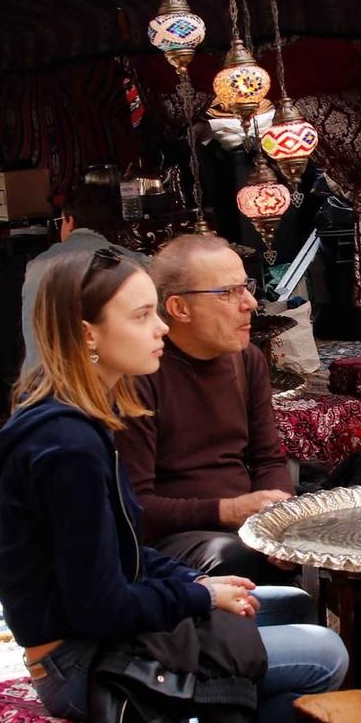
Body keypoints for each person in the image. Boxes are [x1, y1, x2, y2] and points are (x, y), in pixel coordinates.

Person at [0, 243, 346, 723]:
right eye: (142, 316)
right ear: (89, 334)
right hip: (78, 664)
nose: (160, 331)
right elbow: (100, 608)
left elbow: (121, 549)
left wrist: (192, 582)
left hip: (96, 636)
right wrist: (199, 595)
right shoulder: (68, 447)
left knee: (289, 605)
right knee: (325, 653)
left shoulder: (78, 422)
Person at [114, 233, 297, 582]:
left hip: (243, 523)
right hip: (169, 539)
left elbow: (268, 460)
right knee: (234, 556)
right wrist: (227, 511)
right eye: (228, 293)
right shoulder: (141, 372)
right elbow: (132, 506)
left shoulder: (247, 361)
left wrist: (280, 518)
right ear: (179, 308)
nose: (250, 304)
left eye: (247, 287)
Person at [18, 188, 110, 365]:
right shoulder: (131, 262)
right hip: (101, 381)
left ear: (69, 220)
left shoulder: (36, 266)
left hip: (39, 382)